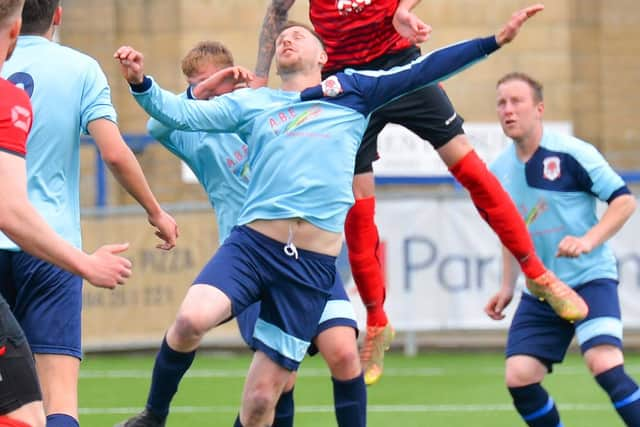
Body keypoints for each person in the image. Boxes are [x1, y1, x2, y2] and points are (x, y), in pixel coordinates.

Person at [115, 5, 543, 425]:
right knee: (191, 318)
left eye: (299, 35)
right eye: (283, 35)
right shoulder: (256, 103)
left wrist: (494, 41)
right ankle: (154, 415)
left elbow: (423, 70)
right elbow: (175, 115)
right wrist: (141, 83)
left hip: (309, 268)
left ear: (323, 56)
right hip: (251, 248)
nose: (287, 36)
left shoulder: (355, 92)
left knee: (265, 397)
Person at [253, 0, 587, 386]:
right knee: (358, 212)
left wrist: (403, 10)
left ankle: (537, 273)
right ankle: (377, 322)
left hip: (400, 68)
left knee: (473, 172)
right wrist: (261, 79)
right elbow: (277, 10)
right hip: (350, 85)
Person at [115, 40, 363, 427]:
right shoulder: (196, 130)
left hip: (305, 256)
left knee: (345, 352)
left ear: (235, 79)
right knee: (276, 384)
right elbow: (157, 124)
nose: (209, 92)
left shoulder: (264, 111)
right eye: (200, 85)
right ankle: (154, 415)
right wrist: (201, 90)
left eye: (216, 83)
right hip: (250, 259)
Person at [0, 1, 179, 426]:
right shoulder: (80, 68)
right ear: (57, 16)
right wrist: (155, 210)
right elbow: (115, 154)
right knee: (57, 396)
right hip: (51, 247)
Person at [485, 72, 640, 426]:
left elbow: (624, 201)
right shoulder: (497, 172)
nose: (508, 110)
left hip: (589, 278)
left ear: (539, 108)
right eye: (501, 103)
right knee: (519, 377)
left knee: (604, 364)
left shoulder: (573, 153)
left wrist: (588, 241)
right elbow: (509, 232)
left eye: (516, 101)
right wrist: (508, 286)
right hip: (541, 290)